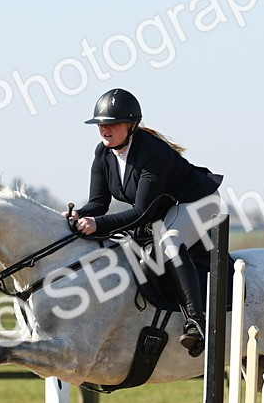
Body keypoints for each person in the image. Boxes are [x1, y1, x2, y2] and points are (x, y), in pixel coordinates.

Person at [65, 88, 223, 357]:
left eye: (112, 124)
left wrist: (98, 224)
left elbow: (141, 213)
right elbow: (98, 203)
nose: (105, 130)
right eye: (101, 124)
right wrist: (80, 214)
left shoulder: (151, 152)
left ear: (131, 125)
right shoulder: (103, 155)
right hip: (163, 208)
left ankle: (197, 323)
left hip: (197, 201)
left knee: (170, 243)